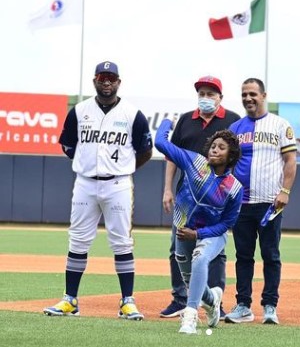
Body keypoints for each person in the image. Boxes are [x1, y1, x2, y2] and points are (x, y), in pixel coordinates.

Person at [44, 61, 153, 320]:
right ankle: (70, 299)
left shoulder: (132, 113)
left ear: (119, 82)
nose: (107, 82)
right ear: (94, 80)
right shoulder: (80, 111)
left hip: (118, 183)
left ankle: (127, 300)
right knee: (78, 239)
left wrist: (123, 168)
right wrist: (87, 163)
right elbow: (68, 145)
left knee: (121, 241)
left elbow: (145, 151)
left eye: (111, 77)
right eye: (102, 77)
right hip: (85, 182)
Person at [160, 75, 240, 319]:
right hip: (188, 196)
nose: (205, 98)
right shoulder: (186, 119)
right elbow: (171, 156)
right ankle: (180, 299)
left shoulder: (232, 120)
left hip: (218, 197)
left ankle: (216, 302)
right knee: (178, 249)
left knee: (213, 252)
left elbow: (236, 156)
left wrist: (229, 191)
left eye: (210, 94)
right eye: (201, 93)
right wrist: (167, 188)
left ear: (220, 98)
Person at [224, 77, 297, 325]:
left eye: (253, 94)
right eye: (244, 94)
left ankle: (270, 306)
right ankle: (243, 305)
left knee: (271, 255)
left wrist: (285, 191)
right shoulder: (235, 129)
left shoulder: (280, 125)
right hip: (241, 203)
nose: (248, 98)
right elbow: (226, 164)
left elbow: (290, 161)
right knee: (243, 256)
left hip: (270, 203)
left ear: (264, 95)